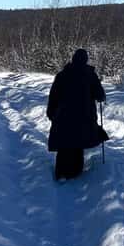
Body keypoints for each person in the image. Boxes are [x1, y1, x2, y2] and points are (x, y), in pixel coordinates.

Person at [46, 48, 108, 181]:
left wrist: (51, 113)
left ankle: (61, 173)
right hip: (84, 117)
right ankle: (74, 175)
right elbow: (100, 95)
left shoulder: (62, 75)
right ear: (85, 60)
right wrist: (101, 95)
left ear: (73, 59)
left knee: (64, 145)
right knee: (78, 144)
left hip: (63, 117)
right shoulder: (90, 75)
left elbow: (53, 97)